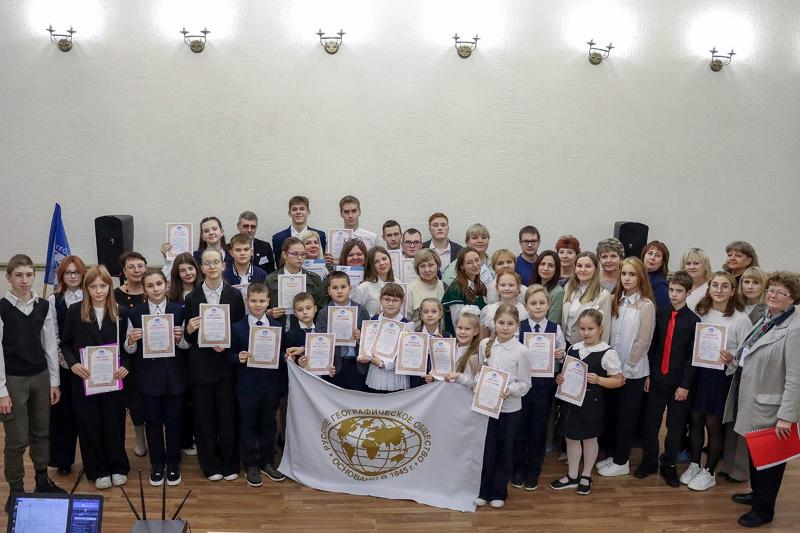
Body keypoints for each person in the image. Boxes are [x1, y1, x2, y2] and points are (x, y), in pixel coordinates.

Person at [722, 271, 800, 528]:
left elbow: (795, 377)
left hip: (771, 407)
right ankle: (757, 495)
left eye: (781, 292)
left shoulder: (795, 328)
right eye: (771, 289)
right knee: (756, 455)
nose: (773, 295)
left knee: (770, 462)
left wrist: (786, 417)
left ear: (793, 298)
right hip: (752, 398)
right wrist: (734, 358)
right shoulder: (768, 317)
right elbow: (751, 350)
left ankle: (764, 510)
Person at [449, 304, 532, 508]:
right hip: (487, 407)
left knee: (505, 449)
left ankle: (498, 491)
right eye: (501, 323)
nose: (505, 327)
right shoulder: (485, 344)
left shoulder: (522, 351)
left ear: (517, 325)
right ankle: (483, 489)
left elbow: (525, 383)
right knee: (487, 448)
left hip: (510, 409)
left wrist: (510, 390)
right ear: (494, 323)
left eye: (510, 324)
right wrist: (475, 382)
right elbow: (480, 373)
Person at [0, 255, 65, 511]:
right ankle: (16, 490)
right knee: (16, 439)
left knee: (41, 431)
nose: (24, 280)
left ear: (34, 276)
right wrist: (1, 391)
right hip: (13, 380)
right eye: (19, 275)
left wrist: (54, 382)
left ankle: (42, 480)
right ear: (9, 277)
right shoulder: (2, 308)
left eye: (29, 275)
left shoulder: (43, 306)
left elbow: (50, 346)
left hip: (40, 377)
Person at [61, 265, 130, 490]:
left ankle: (118, 466)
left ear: (110, 286)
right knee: (89, 424)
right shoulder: (75, 311)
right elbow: (65, 344)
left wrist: (125, 366)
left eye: (103, 286)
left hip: (112, 379)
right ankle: (97, 470)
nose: (98, 291)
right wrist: (73, 364)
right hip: (85, 379)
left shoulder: (120, 312)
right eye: (93, 287)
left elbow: (128, 347)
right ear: (86, 288)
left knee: (114, 423)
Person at [681, 271, 751, 491]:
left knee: (713, 424)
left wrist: (732, 358)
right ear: (709, 288)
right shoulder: (699, 311)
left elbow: (748, 352)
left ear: (732, 291)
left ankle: (709, 470)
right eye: (715, 285)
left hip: (721, 376)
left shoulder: (740, 318)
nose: (719, 290)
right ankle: (694, 464)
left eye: (724, 286)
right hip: (699, 372)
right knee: (695, 420)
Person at [184, 249, 246, 482]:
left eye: (216, 262)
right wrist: (190, 329)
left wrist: (227, 345)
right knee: (204, 418)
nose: (211, 267)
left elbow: (239, 331)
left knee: (228, 416)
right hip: (201, 367)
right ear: (201, 268)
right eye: (207, 263)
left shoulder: (234, 296)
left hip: (226, 366)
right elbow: (188, 339)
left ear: (223, 265)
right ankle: (210, 465)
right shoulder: (192, 298)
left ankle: (230, 463)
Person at [635, 272, 700, 486]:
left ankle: (669, 464)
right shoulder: (660, 314)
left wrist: (685, 384)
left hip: (679, 383)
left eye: (679, 291)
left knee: (675, 425)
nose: (674, 294)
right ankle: (649, 460)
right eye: (671, 290)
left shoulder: (694, 321)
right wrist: (648, 373)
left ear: (688, 293)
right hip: (657, 378)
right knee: (650, 422)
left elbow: (692, 357)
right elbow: (653, 346)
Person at [550, 309, 624, 495]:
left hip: (592, 403)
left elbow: (618, 381)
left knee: (590, 438)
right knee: (571, 437)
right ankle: (572, 475)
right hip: (571, 402)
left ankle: (586, 475)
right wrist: (560, 378)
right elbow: (566, 374)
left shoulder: (607, 352)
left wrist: (599, 380)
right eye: (582, 328)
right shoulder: (573, 349)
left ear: (600, 328)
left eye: (590, 328)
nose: (586, 332)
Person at [125, 269, 187, 486]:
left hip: (174, 376)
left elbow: (186, 345)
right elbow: (129, 349)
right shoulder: (135, 314)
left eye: (159, 284)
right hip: (148, 377)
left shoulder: (179, 310)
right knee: (152, 423)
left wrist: (180, 338)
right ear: (144, 289)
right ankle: (157, 464)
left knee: (174, 422)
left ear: (166, 285)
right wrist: (131, 340)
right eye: (150, 285)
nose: (155, 289)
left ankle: (173, 464)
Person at [597, 257, 655, 477]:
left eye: (632, 274)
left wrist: (627, 368)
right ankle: (615, 455)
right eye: (624, 274)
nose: (627, 278)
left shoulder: (646, 305)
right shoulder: (615, 300)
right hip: (614, 370)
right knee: (613, 416)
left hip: (632, 371)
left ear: (641, 278)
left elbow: (643, 341)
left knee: (626, 418)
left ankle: (622, 461)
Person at [228, 283, 286, 487]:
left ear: (268, 302)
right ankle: (251, 464)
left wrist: (284, 356)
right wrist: (238, 357)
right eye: (253, 301)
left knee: (269, 424)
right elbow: (229, 356)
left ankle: (267, 462)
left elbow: (282, 354)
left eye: (262, 301)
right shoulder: (237, 327)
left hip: (271, 385)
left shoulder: (278, 327)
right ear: (247, 301)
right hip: (247, 386)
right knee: (248, 425)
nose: (258, 304)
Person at [512, 284, 566, 491]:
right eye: (533, 303)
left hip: (544, 387)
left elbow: (562, 354)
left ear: (548, 304)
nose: (538, 306)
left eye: (542, 303)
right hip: (522, 385)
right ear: (526, 306)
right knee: (520, 427)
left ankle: (533, 469)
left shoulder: (555, 328)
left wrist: (560, 354)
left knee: (538, 428)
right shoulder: (519, 327)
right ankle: (518, 467)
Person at [47, 255, 87, 476]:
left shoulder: (91, 295)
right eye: (68, 272)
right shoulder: (55, 301)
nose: (73, 276)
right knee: (64, 415)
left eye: (77, 272)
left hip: (90, 366)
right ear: (61, 275)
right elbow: (53, 335)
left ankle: (92, 458)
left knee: (88, 415)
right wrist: (68, 362)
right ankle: (63, 459)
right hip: (64, 366)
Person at [114, 251, 150, 458]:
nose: (137, 270)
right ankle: (139, 436)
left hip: (154, 355)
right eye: (131, 267)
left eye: (140, 266)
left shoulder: (154, 289)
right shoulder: (114, 295)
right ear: (124, 271)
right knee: (134, 400)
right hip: (128, 357)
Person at [167, 253, 200, 457]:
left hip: (202, 353)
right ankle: (185, 439)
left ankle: (201, 436)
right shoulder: (172, 296)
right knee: (183, 399)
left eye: (190, 268)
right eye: (182, 270)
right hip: (179, 355)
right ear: (176, 274)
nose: (187, 273)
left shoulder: (204, 291)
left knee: (199, 399)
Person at [315, 272, 371, 391]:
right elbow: (321, 343)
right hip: (334, 367)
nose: (339, 291)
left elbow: (370, 340)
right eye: (335, 288)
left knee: (357, 399)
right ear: (328, 291)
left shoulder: (361, 310)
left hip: (357, 366)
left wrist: (361, 337)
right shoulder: (324, 313)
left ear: (350, 288)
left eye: (343, 287)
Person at [358, 283, 414, 393]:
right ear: (380, 300)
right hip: (376, 375)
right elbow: (367, 347)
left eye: (395, 300)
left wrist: (383, 364)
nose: (391, 304)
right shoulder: (373, 321)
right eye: (387, 299)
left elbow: (406, 356)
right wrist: (364, 354)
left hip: (396, 377)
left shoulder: (407, 325)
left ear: (402, 302)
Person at [265, 238, 327, 323]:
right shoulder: (271, 279)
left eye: (303, 254)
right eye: (295, 254)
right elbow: (262, 306)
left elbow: (322, 308)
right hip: (279, 325)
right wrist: (269, 313)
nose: (300, 258)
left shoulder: (314, 279)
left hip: (305, 326)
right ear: (284, 255)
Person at [561, 252, 612, 346]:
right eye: (579, 266)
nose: (583, 270)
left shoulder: (603, 295)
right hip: (565, 344)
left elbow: (604, 329)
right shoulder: (568, 288)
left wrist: (600, 351)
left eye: (588, 266)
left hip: (587, 347)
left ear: (596, 269)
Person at [442, 248, 488, 336]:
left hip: (477, 337)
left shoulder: (480, 285)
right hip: (460, 339)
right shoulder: (455, 289)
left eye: (477, 260)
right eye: (469, 262)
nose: (475, 265)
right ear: (462, 266)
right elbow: (457, 324)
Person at [272, 196, 327, 266]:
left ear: (308, 212)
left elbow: (321, 259)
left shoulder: (320, 235)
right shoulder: (278, 238)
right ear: (289, 213)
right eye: (294, 209)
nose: (298, 212)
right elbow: (279, 266)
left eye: (302, 209)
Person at [351, 246, 397, 317]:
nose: (382, 263)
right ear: (371, 265)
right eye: (376, 261)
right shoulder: (363, 288)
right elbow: (354, 315)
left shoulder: (398, 282)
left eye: (384, 259)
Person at [481, 271, 527, 337]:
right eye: (502, 285)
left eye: (511, 285)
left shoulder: (525, 311)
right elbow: (484, 338)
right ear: (497, 288)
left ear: (518, 288)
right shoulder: (488, 310)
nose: (506, 288)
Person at [407, 249, 445, 328]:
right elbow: (406, 320)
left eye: (430, 265)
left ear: (437, 266)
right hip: (417, 333)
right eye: (422, 266)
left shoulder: (443, 286)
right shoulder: (410, 289)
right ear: (417, 269)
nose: (427, 270)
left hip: (440, 334)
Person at [533, 250, 564, 324]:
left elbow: (553, 323)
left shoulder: (558, 292)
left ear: (556, 269)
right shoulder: (533, 287)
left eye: (550, 265)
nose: (545, 268)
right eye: (542, 264)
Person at [681, 248, 713, 312]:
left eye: (696, 263)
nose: (691, 267)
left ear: (705, 266)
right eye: (688, 263)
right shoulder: (679, 286)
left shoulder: (711, 289)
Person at [641, 240, 670, 309]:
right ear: (644, 255)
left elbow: (659, 311)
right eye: (650, 253)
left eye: (658, 255)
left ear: (662, 262)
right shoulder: (636, 275)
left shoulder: (660, 285)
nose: (652, 258)